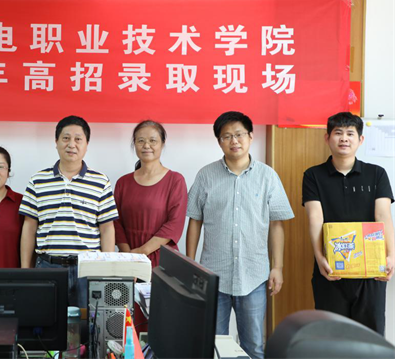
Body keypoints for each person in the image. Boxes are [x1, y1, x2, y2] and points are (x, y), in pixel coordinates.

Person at [186, 111, 294, 359]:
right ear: (219, 141)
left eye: (239, 134)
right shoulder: (206, 175)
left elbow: (277, 224)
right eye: (226, 136)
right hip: (213, 274)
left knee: (253, 345)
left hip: (254, 274)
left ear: (250, 136)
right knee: (212, 345)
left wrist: (277, 267)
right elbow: (195, 220)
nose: (234, 141)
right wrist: (190, 264)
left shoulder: (267, 176)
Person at [303, 112, 394, 335]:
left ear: (360, 140)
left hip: (371, 272)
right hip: (330, 270)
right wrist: (320, 258)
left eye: (350, 133)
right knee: (331, 335)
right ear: (327, 138)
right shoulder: (313, 175)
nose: (344, 138)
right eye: (338, 133)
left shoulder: (377, 174)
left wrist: (391, 255)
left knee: (370, 336)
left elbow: (383, 215)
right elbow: (315, 217)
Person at [19, 115, 118, 307]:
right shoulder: (38, 181)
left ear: (86, 144)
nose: (71, 144)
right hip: (48, 267)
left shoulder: (100, 181)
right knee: (47, 321)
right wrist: (26, 270)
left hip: (88, 269)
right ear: (56, 142)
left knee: (89, 322)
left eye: (78, 139)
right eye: (66, 138)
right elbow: (29, 228)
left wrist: (106, 271)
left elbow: (107, 228)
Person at [114, 120, 188, 267]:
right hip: (127, 260)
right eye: (141, 141)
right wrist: (128, 255)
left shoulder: (175, 180)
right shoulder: (123, 182)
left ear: (162, 144)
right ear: (134, 144)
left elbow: (174, 224)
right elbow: (115, 222)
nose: (146, 145)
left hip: (163, 262)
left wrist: (141, 252)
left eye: (152, 141)